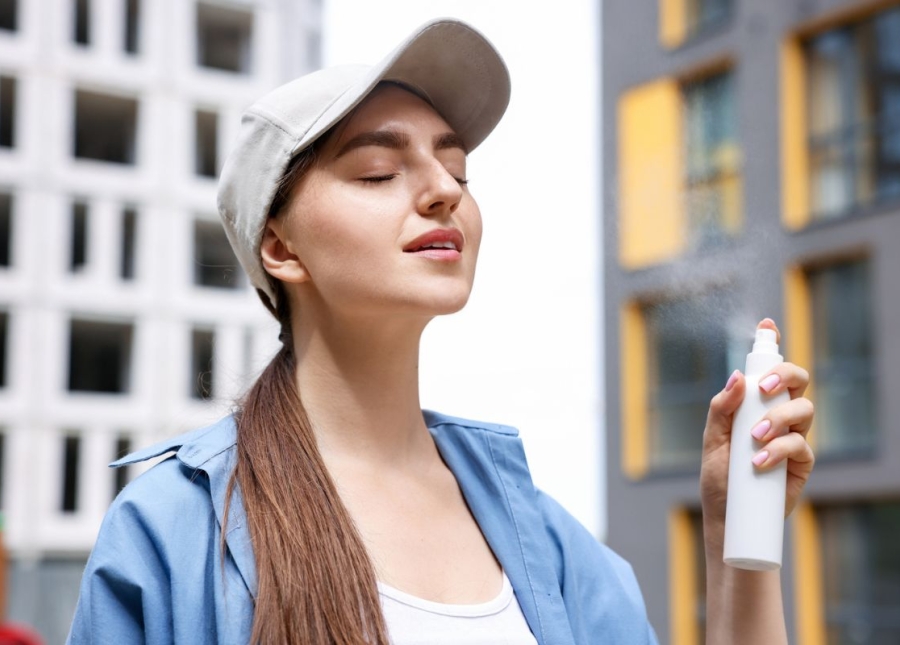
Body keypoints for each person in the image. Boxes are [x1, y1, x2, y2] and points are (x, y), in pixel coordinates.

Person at [66, 18, 815, 645]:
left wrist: (736, 543)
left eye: (458, 170)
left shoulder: (546, 541)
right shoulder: (173, 533)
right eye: (376, 173)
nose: (443, 191)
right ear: (280, 248)